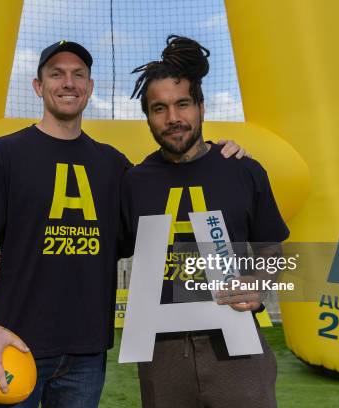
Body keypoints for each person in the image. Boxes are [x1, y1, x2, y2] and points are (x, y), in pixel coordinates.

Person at [0, 40, 248, 408]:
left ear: (90, 88)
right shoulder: (4, 153)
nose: (68, 83)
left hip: (87, 355)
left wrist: (215, 155)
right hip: (12, 343)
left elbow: (169, 190)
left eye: (79, 75)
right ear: (37, 85)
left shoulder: (115, 166)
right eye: (56, 74)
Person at [120, 35, 290, 408]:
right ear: (147, 116)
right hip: (161, 353)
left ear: (201, 106)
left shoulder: (244, 170)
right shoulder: (133, 182)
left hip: (237, 346)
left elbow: (273, 249)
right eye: (159, 108)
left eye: (183, 104)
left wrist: (258, 285)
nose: (173, 118)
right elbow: (101, 251)